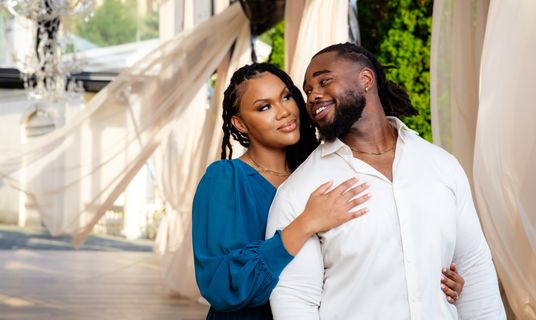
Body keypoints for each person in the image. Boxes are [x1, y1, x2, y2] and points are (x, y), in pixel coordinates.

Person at [192, 62, 464, 320]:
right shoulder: (225, 179)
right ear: (240, 123)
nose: (284, 111)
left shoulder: (319, 171)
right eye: (264, 107)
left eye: (286, 97)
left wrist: (433, 278)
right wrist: (306, 223)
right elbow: (219, 284)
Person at [266, 43, 504, 319]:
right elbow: (294, 300)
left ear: (366, 79)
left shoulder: (440, 165)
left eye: (324, 81)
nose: (313, 96)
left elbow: (474, 269)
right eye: (308, 91)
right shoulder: (301, 191)